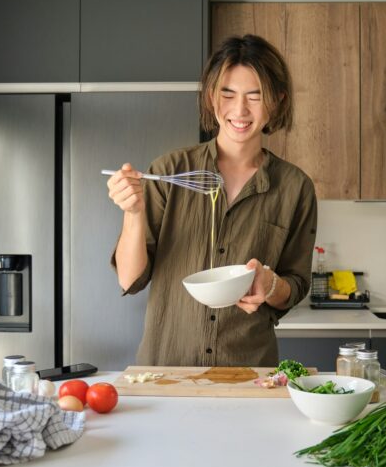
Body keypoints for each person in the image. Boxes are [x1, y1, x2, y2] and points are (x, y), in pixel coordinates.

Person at [106, 34, 317, 367]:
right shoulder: (169, 171)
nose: (239, 110)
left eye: (255, 96)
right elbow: (130, 279)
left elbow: (296, 283)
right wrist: (133, 213)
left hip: (248, 369)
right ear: (211, 97)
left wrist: (270, 284)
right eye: (227, 94)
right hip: (167, 368)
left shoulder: (295, 187)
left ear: (277, 101)